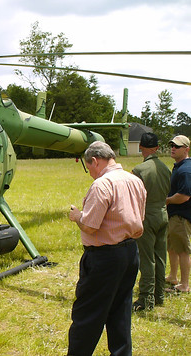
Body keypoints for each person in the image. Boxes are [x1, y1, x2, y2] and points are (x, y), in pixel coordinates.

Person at [68, 141, 146, 356]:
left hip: (104, 257)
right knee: (120, 311)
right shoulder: (134, 180)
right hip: (130, 252)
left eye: (88, 167)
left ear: (95, 161)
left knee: (88, 315)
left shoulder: (102, 184)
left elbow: (90, 227)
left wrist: (77, 216)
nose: (90, 172)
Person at [131, 133, 171, 311]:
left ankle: (146, 299)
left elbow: (134, 197)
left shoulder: (139, 170)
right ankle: (159, 294)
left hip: (147, 215)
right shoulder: (165, 168)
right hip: (163, 214)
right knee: (161, 257)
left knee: (147, 259)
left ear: (141, 147)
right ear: (156, 147)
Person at [165, 135, 191, 293]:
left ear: (186, 149)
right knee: (172, 247)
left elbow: (184, 196)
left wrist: (166, 200)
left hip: (181, 217)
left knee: (183, 250)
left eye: (177, 146)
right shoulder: (179, 166)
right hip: (174, 216)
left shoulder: (186, 170)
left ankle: (184, 285)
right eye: (172, 145)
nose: (173, 148)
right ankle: (173, 276)